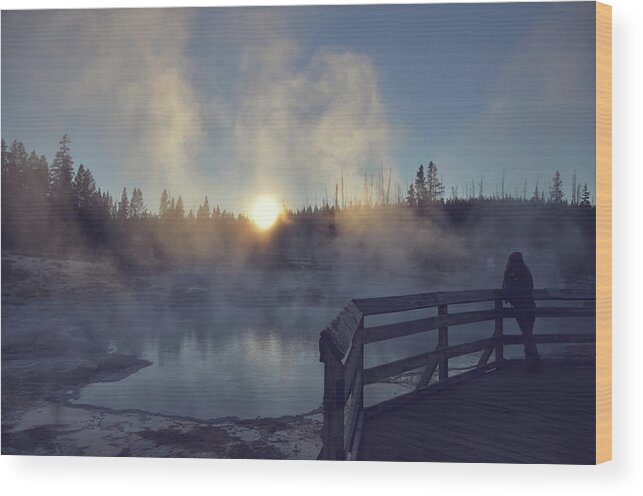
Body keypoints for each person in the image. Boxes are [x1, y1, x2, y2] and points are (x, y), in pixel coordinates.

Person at [502, 252, 541, 367]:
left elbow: (506, 290)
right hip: (530, 305)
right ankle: (532, 361)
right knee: (528, 333)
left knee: (526, 334)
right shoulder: (526, 272)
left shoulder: (510, 273)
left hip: (519, 307)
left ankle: (533, 361)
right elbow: (530, 288)